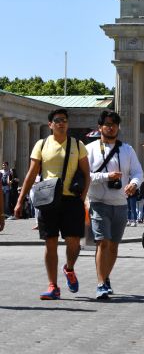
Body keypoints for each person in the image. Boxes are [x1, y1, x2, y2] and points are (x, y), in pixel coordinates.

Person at [14, 108, 91, 300]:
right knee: (50, 242)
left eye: (64, 120)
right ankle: (53, 286)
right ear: (50, 125)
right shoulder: (41, 144)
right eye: (57, 120)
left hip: (72, 199)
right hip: (48, 200)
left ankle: (69, 268)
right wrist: (20, 200)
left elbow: (87, 174)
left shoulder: (77, 144)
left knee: (73, 241)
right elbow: (31, 174)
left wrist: (82, 199)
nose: (61, 123)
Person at [86, 110, 143, 299]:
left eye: (114, 124)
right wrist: (106, 176)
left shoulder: (127, 149)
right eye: (107, 124)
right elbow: (85, 176)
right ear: (100, 127)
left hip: (120, 203)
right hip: (99, 202)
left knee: (114, 246)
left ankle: (106, 277)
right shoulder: (90, 149)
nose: (111, 127)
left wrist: (134, 184)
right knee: (103, 242)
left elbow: (137, 172)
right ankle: (101, 283)